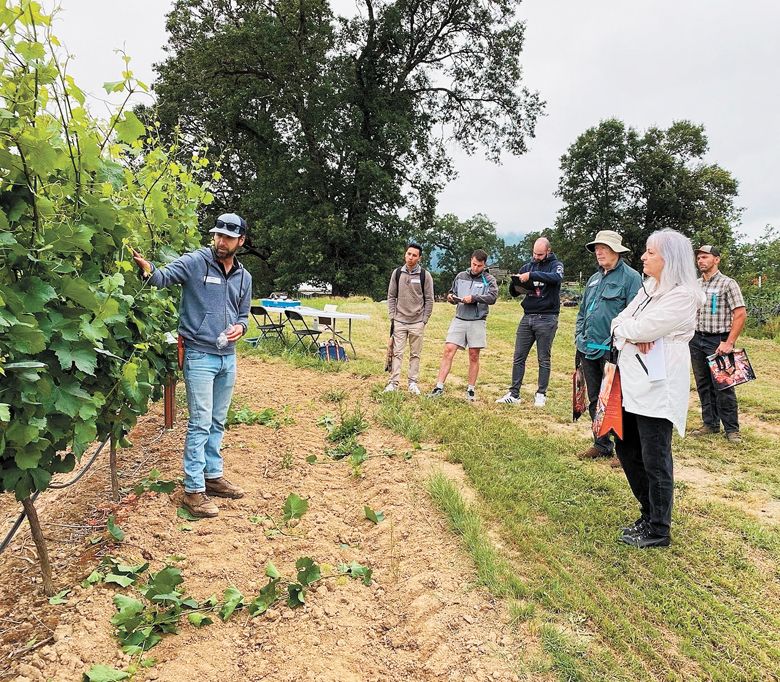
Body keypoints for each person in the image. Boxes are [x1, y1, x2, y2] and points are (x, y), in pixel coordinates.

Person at [133, 213, 252, 519]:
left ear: (241, 241)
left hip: (228, 356)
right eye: (217, 235)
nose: (221, 241)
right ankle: (193, 491)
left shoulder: (244, 277)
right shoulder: (196, 262)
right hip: (199, 355)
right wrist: (148, 270)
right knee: (200, 422)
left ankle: (213, 476)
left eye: (228, 237)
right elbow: (163, 277)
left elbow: (243, 315)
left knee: (217, 420)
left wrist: (241, 327)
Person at [610, 229, 704, 548]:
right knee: (625, 446)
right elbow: (620, 321)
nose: (643, 257)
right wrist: (629, 332)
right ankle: (647, 512)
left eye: (650, 252)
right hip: (633, 380)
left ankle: (659, 527)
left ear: (670, 259)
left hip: (658, 385)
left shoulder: (683, 295)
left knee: (655, 456)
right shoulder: (650, 286)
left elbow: (644, 327)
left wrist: (631, 331)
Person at [575, 231, 642, 465]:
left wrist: (617, 342)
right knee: (595, 398)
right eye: (596, 248)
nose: (598, 252)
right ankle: (602, 443)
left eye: (603, 247)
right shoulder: (594, 279)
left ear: (617, 251)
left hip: (613, 351)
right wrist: (579, 337)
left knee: (617, 400)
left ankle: (626, 452)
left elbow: (634, 314)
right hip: (588, 348)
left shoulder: (631, 278)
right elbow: (583, 312)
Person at [688, 245, 747, 443]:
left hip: (718, 339)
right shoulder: (696, 285)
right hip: (697, 338)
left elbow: (740, 314)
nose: (701, 261)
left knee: (724, 385)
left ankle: (732, 429)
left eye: (705, 257)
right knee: (703, 383)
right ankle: (710, 423)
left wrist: (729, 342)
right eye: (698, 258)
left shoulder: (728, 284)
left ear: (717, 260)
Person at [496, 237, 563, 407]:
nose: (536, 257)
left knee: (543, 358)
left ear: (548, 251)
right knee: (519, 356)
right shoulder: (527, 266)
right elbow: (514, 293)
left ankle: (541, 393)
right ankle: (514, 393)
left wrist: (532, 276)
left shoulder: (556, 265)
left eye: (540, 254)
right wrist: (515, 282)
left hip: (547, 317)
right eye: (534, 253)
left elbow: (556, 278)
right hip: (527, 316)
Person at [429, 250, 498, 401]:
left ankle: (471, 389)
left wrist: (474, 298)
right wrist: (451, 297)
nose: (475, 268)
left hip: (477, 320)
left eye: (479, 266)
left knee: (473, 355)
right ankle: (439, 386)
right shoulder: (460, 276)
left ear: (484, 264)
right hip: (459, 318)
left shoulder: (489, 279)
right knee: (448, 350)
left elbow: (492, 297)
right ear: (470, 261)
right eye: (473, 264)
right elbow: (452, 292)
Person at [385, 242, 435, 395]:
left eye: (414, 255)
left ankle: (412, 383)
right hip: (399, 320)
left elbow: (429, 299)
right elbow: (391, 296)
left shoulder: (424, 275)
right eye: (408, 254)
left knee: (415, 354)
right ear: (405, 254)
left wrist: (424, 320)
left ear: (419, 258)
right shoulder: (397, 273)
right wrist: (393, 316)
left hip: (417, 322)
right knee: (397, 353)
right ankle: (393, 383)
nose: (410, 257)